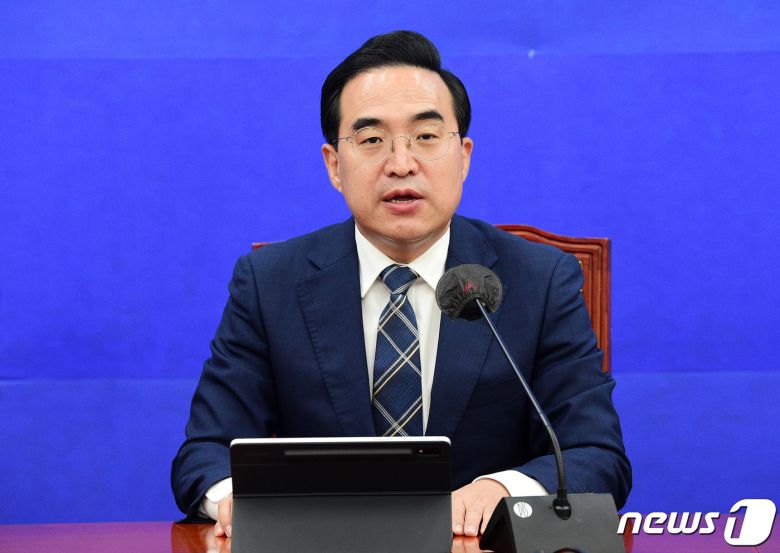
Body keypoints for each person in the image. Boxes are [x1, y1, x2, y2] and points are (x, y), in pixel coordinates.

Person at [171, 30, 631, 539]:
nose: (401, 163)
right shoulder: (270, 283)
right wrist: (234, 499)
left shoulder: (539, 281)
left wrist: (502, 489)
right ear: (334, 166)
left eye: (426, 137)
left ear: (464, 156)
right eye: (371, 140)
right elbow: (204, 452)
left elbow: (595, 454)